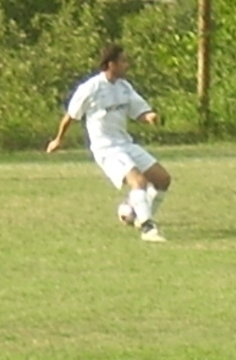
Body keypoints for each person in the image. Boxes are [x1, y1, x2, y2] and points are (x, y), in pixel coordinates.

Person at [46, 43, 171, 242]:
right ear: (111, 64)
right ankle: (147, 227)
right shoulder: (91, 88)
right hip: (106, 148)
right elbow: (71, 115)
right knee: (138, 181)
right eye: (123, 61)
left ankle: (133, 211)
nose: (127, 65)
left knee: (163, 179)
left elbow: (139, 111)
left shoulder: (124, 87)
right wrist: (58, 139)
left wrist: (150, 117)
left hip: (125, 144)